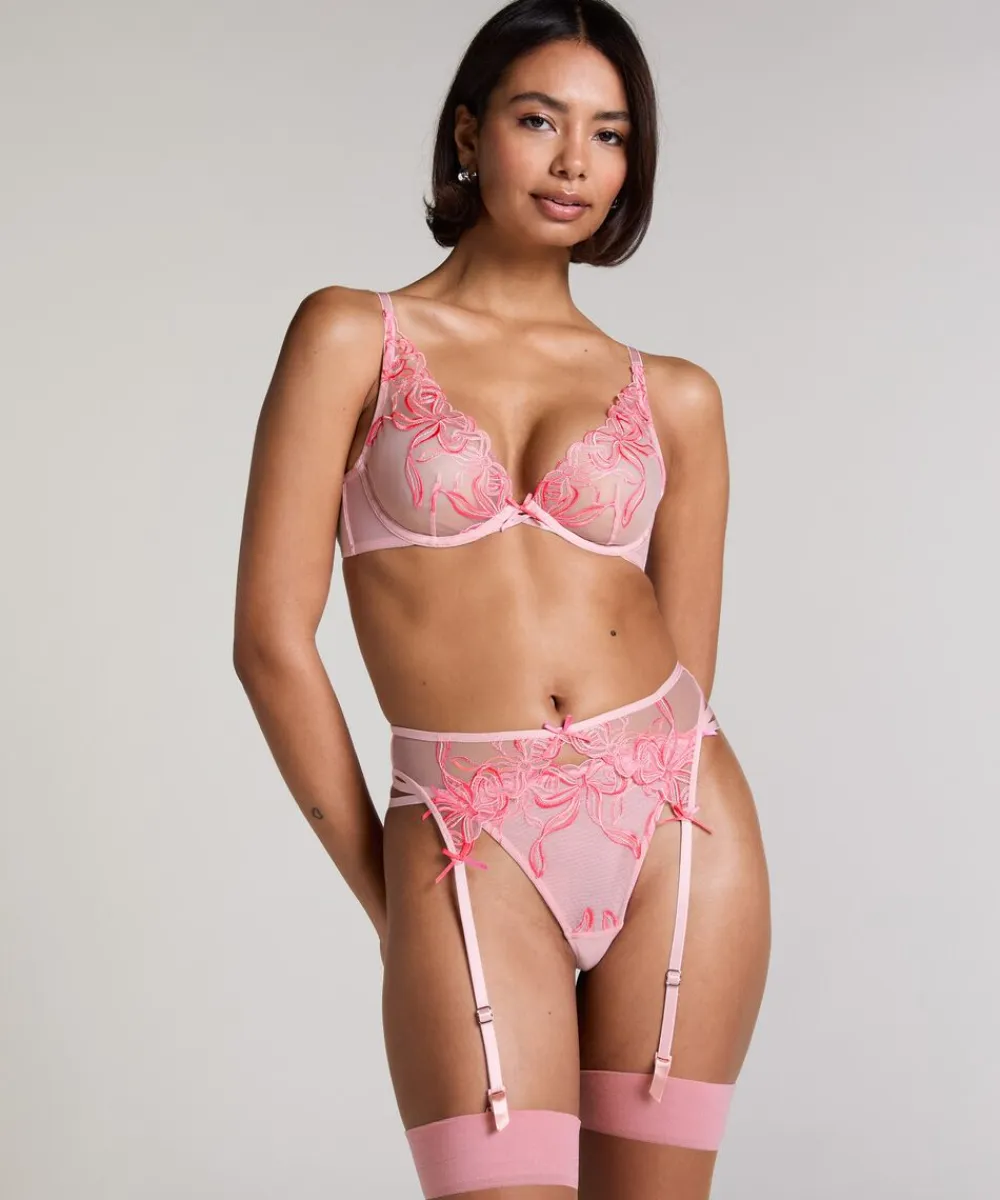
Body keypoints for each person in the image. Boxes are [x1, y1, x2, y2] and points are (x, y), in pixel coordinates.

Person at [233, 1, 771, 1196]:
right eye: (540, 120)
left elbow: (691, 666)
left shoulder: (677, 397)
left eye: (609, 134)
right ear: (470, 133)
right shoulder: (352, 335)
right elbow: (270, 641)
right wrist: (393, 890)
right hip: (460, 827)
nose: (575, 161)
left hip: (676, 819)